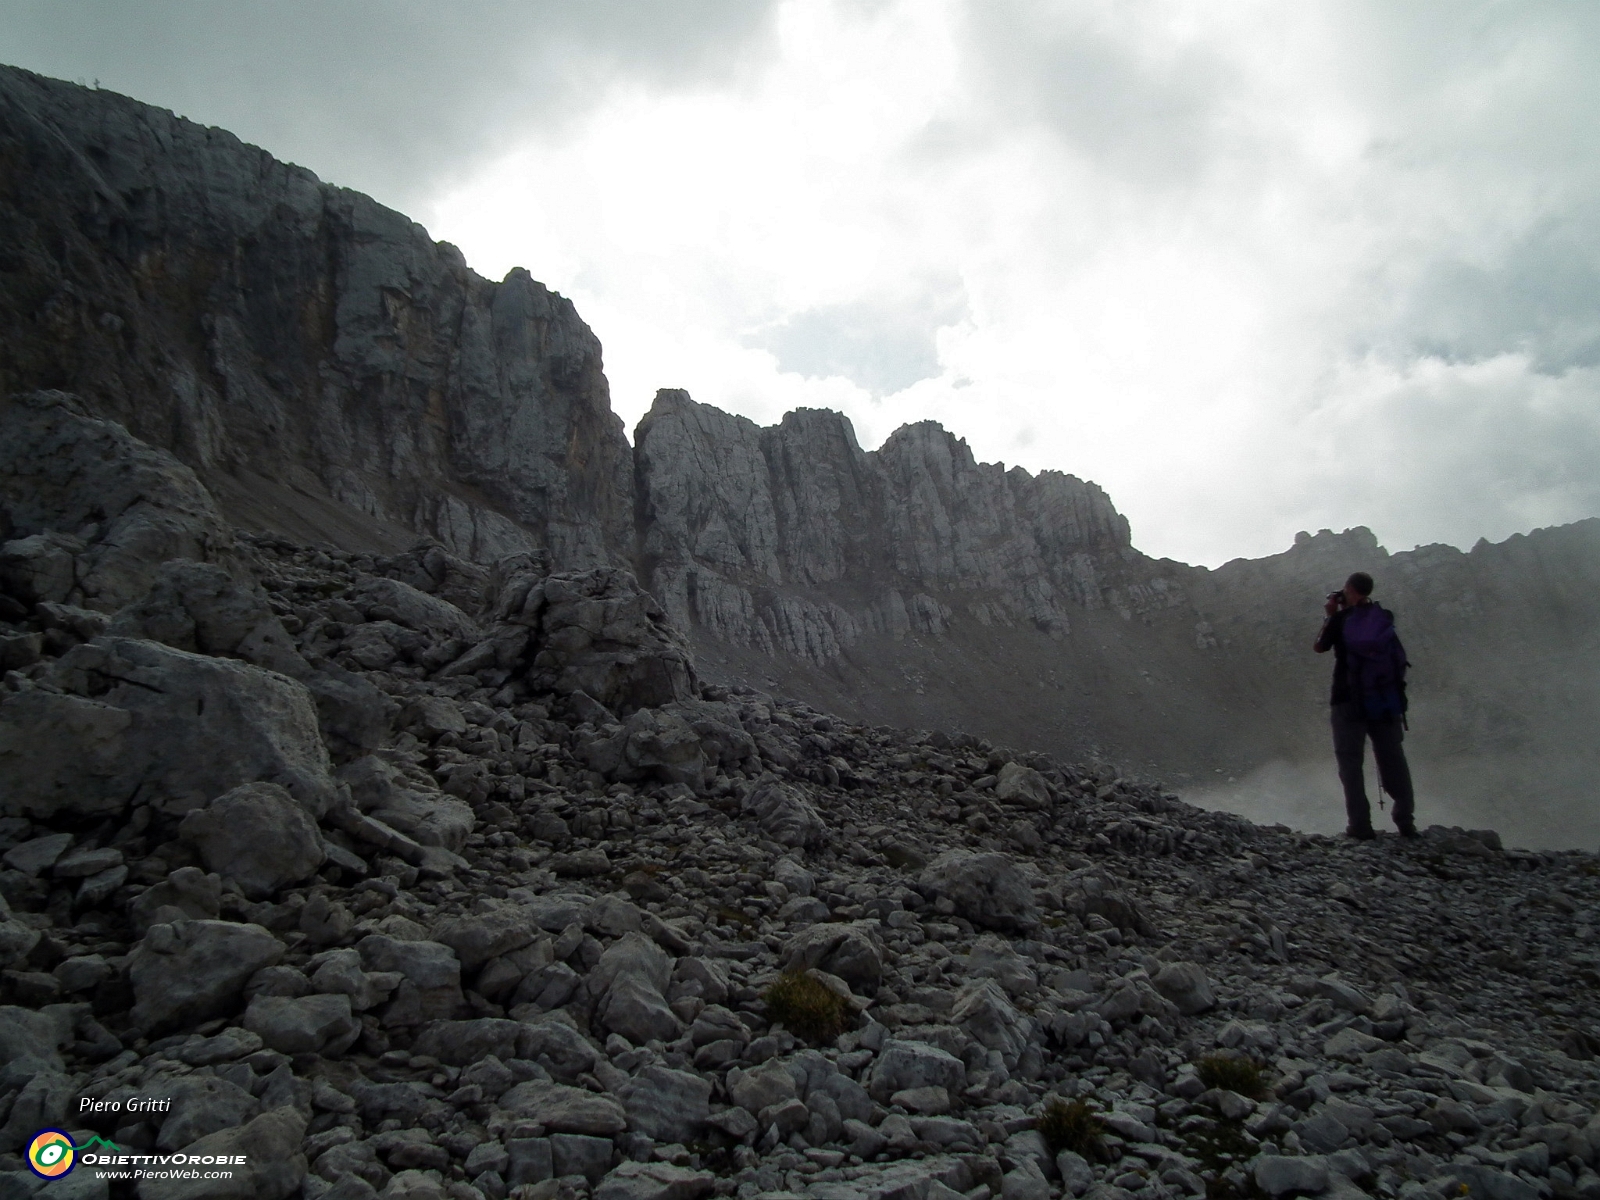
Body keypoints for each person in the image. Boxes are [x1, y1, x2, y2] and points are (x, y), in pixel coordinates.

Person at [1313, 571, 1417, 840]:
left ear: (1348, 589)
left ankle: (1360, 826)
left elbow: (1320, 646)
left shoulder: (1340, 619)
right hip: (1383, 699)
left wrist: (1331, 613)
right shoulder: (1384, 617)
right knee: (1393, 757)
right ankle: (1406, 821)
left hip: (1348, 701)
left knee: (1350, 762)